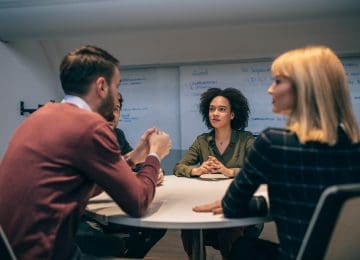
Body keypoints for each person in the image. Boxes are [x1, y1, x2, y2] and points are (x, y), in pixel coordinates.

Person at [0, 45, 172, 259]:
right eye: (116, 85)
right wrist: (154, 154)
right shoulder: (91, 126)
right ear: (101, 86)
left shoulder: (43, 115)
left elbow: (79, 188)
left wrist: (134, 157)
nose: (117, 94)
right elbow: (138, 203)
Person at [193, 46, 360, 259]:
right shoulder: (354, 146)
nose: (270, 90)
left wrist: (237, 202)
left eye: (278, 81)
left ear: (305, 88)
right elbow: (319, 201)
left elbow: (232, 207)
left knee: (236, 242)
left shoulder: (273, 143)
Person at [173, 87, 262, 258]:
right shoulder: (202, 141)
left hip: (237, 204)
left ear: (232, 115)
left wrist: (230, 171)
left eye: (222, 109)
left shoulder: (246, 140)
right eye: (212, 109)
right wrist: (196, 170)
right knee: (188, 229)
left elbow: (258, 170)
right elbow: (179, 167)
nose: (215, 113)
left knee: (229, 231)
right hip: (208, 203)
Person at [76, 92, 166, 258]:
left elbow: (134, 164)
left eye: (117, 108)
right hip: (83, 215)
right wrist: (153, 158)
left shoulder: (117, 135)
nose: (112, 113)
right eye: (107, 107)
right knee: (112, 243)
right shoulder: (83, 137)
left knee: (156, 226)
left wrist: (153, 171)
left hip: (112, 207)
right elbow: (111, 175)